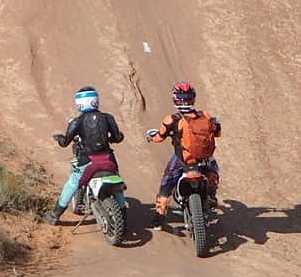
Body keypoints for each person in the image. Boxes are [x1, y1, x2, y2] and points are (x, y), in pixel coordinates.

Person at [43, 86, 127, 225]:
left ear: (79, 103)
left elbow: (65, 142)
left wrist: (59, 138)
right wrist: (112, 138)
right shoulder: (108, 117)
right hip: (108, 159)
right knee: (117, 186)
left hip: (88, 161)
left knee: (73, 183)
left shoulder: (77, 121)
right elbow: (118, 138)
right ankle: (124, 218)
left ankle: (54, 215)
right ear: (96, 100)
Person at [145, 81, 221, 230]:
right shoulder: (205, 115)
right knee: (214, 169)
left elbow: (159, 137)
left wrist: (150, 137)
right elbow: (217, 132)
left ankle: (159, 219)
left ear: (175, 99)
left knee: (165, 185)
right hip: (204, 160)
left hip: (182, 161)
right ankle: (211, 194)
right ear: (193, 98)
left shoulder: (171, 119)